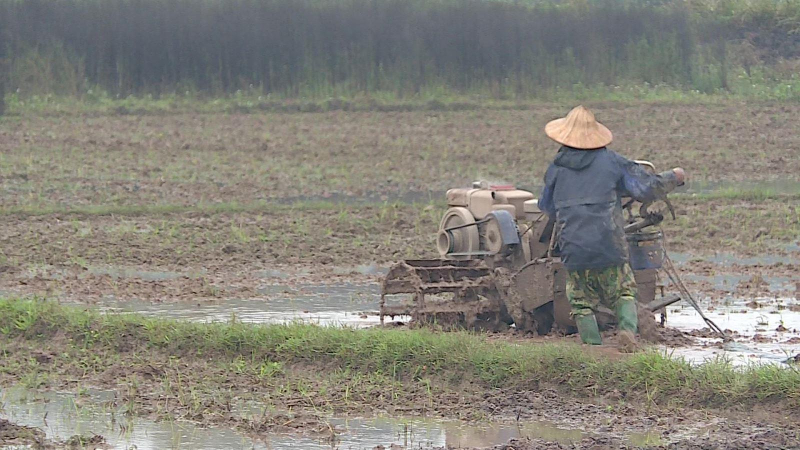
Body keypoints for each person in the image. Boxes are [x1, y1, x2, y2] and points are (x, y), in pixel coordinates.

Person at [537, 106, 685, 351]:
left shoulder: (556, 169)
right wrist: (675, 176)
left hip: (573, 250)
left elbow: (547, 207)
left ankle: (593, 347)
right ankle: (627, 332)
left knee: (581, 301)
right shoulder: (612, 162)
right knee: (624, 291)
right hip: (609, 246)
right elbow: (645, 188)